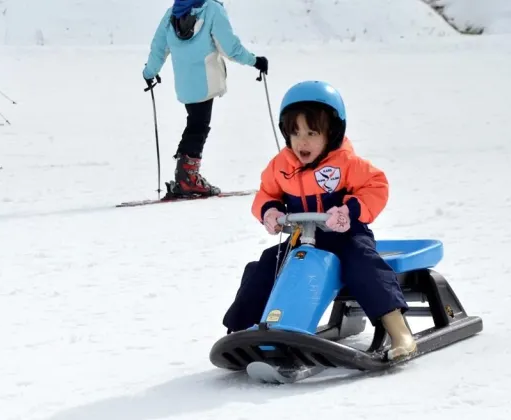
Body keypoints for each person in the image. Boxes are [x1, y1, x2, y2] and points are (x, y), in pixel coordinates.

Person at [221, 81, 417, 361]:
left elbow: (376, 186)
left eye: (312, 132)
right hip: (302, 239)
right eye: (295, 132)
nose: (302, 141)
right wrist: (270, 211)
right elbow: (266, 193)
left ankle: (400, 332)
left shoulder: (346, 163)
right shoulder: (281, 166)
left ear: (332, 133)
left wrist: (350, 211)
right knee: (267, 265)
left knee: (362, 263)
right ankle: (239, 332)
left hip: (345, 237)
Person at [142, 0, 269, 197]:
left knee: (195, 123)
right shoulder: (211, 9)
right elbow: (230, 48)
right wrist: (255, 61)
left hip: (185, 85)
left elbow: (158, 47)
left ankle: (185, 174)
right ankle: (188, 178)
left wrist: (150, 72)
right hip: (206, 81)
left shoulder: (172, 14)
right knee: (198, 126)